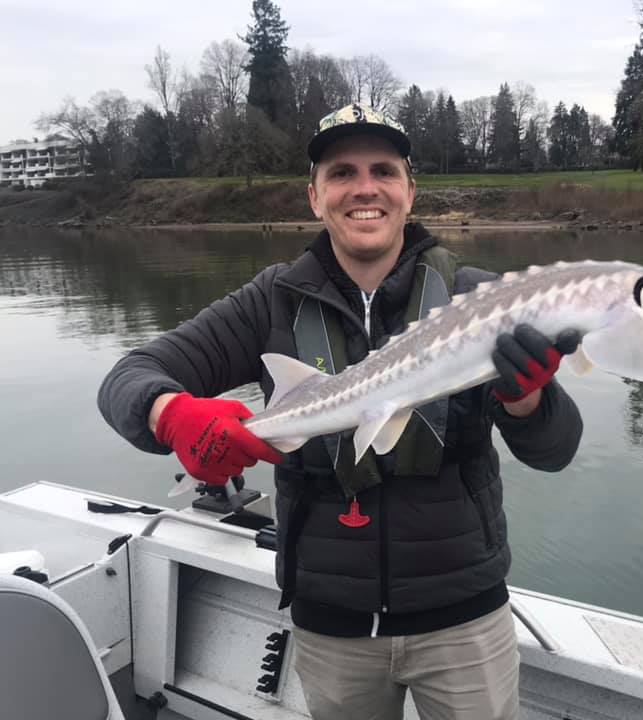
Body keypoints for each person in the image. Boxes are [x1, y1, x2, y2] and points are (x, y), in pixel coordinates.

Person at [97, 102, 583, 720]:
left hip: (464, 620)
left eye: (383, 171)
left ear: (410, 192)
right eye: (342, 173)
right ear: (314, 197)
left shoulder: (476, 296)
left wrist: (528, 397)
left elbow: (556, 451)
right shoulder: (270, 302)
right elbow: (127, 377)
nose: (365, 189)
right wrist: (171, 415)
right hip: (332, 627)